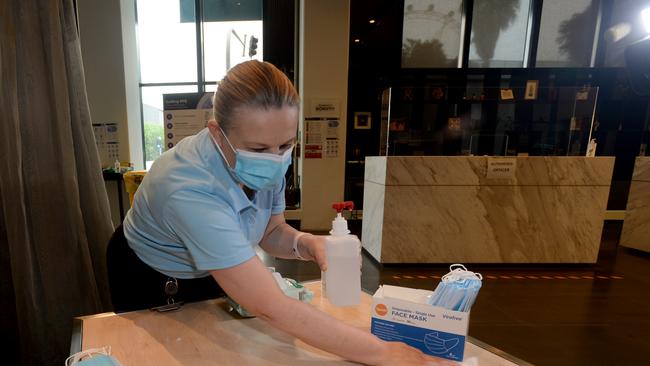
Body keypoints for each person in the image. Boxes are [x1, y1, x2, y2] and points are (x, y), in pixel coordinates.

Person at [107, 60, 445, 365]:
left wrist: (305, 243)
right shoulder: (188, 188)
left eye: (286, 145)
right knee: (168, 352)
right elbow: (269, 306)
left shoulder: (264, 159)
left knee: (224, 346)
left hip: (208, 269)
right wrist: (382, 352)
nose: (275, 159)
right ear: (217, 133)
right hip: (152, 275)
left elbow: (270, 231)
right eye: (258, 149)